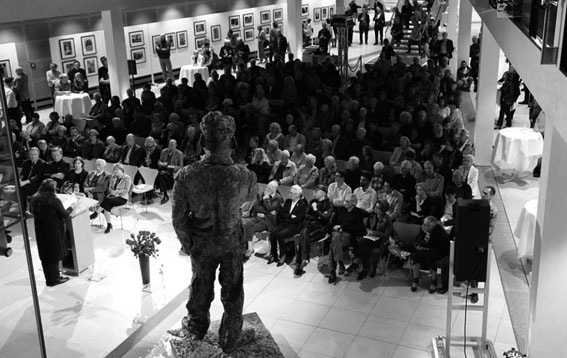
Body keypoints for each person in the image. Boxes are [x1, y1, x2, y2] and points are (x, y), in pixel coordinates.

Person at [172, 111, 257, 353]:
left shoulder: (187, 175)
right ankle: (230, 335)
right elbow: (249, 203)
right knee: (232, 292)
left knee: (200, 287)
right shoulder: (245, 176)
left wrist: (188, 243)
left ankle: (196, 328)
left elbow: (178, 218)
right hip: (231, 243)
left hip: (201, 242)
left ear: (203, 141)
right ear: (231, 141)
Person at [31, 179, 76, 286]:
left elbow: (31, 211)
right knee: (53, 255)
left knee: (45, 255)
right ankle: (54, 280)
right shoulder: (54, 200)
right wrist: (71, 207)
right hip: (53, 231)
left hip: (40, 231)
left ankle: (49, 278)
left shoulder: (35, 198)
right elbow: (64, 214)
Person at [328, 194, 367, 283]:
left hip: (348, 236)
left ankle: (333, 271)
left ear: (353, 203)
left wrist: (342, 227)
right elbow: (333, 222)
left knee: (333, 245)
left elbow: (357, 228)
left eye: (347, 201)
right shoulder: (341, 210)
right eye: (344, 200)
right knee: (335, 239)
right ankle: (339, 264)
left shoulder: (359, 213)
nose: (344, 203)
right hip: (337, 234)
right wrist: (335, 227)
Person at [295, 185, 333, 275]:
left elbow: (325, 218)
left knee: (302, 239)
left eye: (316, 191)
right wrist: (317, 217)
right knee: (304, 233)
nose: (313, 193)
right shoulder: (312, 201)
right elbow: (306, 214)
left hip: (321, 228)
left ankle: (299, 264)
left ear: (322, 193)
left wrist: (315, 210)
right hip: (310, 226)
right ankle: (304, 260)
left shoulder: (328, 204)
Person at [268, 185, 307, 266]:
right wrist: (290, 216)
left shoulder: (302, 205)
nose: (289, 195)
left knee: (280, 235)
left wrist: (288, 216)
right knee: (272, 233)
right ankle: (273, 254)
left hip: (295, 226)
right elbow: (282, 214)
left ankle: (283, 255)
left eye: (292, 193)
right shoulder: (288, 201)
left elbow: (298, 219)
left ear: (297, 195)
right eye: (290, 193)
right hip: (285, 223)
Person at [410, 216, 451, 293]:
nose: (425, 226)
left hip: (440, 252)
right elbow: (418, 239)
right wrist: (419, 245)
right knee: (416, 255)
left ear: (434, 225)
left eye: (428, 225)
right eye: (424, 224)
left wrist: (426, 245)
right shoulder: (423, 228)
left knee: (430, 257)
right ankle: (415, 279)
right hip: (427, 249)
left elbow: (438, 247)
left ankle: (433, 281)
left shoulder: (439, 232)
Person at [91, 163, 132, 234]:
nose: (115, 172)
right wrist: (112, 192)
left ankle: (96, 213)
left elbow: (126, 190)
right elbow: (110, 187)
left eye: (116, 170)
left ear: (121, 170)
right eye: (114, 170)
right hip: (112, 196)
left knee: (107, 200)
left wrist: (116, 192)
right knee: (107, 205)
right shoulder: (113, 177)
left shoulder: (127, 178)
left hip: (122, 198)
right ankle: (109, 225)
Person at [357, 200, 392, 279]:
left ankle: (364, 267)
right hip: (371, 238)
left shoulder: (387, 219)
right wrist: (368, 231)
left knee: (362, 244)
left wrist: (375, 233)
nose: (375, 209)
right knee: (362, 244)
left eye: (378, 208)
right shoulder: (372, 215)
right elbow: (367, 226)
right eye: (375, 207)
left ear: (383, 209)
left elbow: (386, 235)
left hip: (380, 240)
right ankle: (365, 267)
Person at [19, 147, 47, 214]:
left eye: (34, 155)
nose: (32, 156)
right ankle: (23, 210)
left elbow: (37, 177)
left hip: (37, 184)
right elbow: (23, 173)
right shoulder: (26, 162)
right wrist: (19, 179)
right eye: (31, 154)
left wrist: (26, 182)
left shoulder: (43, 164)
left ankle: (30, 211)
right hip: (26, 183)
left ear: (38, 155)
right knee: (20, 189)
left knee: (23, 189)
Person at [156, 139, 183, 204]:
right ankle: (165, 195)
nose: (170, 146)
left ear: (176, 145)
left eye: (172, 145)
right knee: (161, 173)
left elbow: (181, 166)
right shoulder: (164, 151)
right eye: (169, 145)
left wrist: (171, 166)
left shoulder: (179, 153)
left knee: (161, 174)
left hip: (172, 171)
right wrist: (161, 164)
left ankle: (165, 195)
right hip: (163, 168)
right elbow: (159, 161)